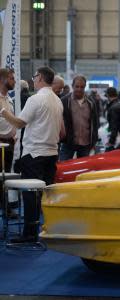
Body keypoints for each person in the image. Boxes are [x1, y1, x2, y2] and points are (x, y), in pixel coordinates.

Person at [0, 66, 63, 243]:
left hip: (35, 153)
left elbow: (20, 123)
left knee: (30, 196)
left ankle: (29, 234)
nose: (33, 80)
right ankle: (46, 228)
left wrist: (4, 113)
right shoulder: (57, 100)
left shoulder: (36, 99)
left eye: (34, 76)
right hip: (52, 153)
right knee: (45, 194)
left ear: (41, 77)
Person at [59, 75, 100, 161]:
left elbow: (95, 123)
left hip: (86, 143)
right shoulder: (64, 101)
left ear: (85, 87)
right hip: (68, 143)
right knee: (63, 167)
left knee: (83, 170)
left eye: (82, 87)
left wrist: (94, 140)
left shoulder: (91, 102)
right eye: (77, 86)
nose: (79, 89)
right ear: (72, 86)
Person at [0, 68, 17, 172]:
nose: (14, 81)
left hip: (10, 144)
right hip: (0, 143)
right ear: (2, 80)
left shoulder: (9, 99)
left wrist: (13, 136)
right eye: (11, 79)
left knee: (6, 175)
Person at [104, 87, 120, 151]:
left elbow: (114, 126)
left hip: (117, 138)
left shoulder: (113, 108)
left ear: (107, 95)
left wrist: (111, 141)